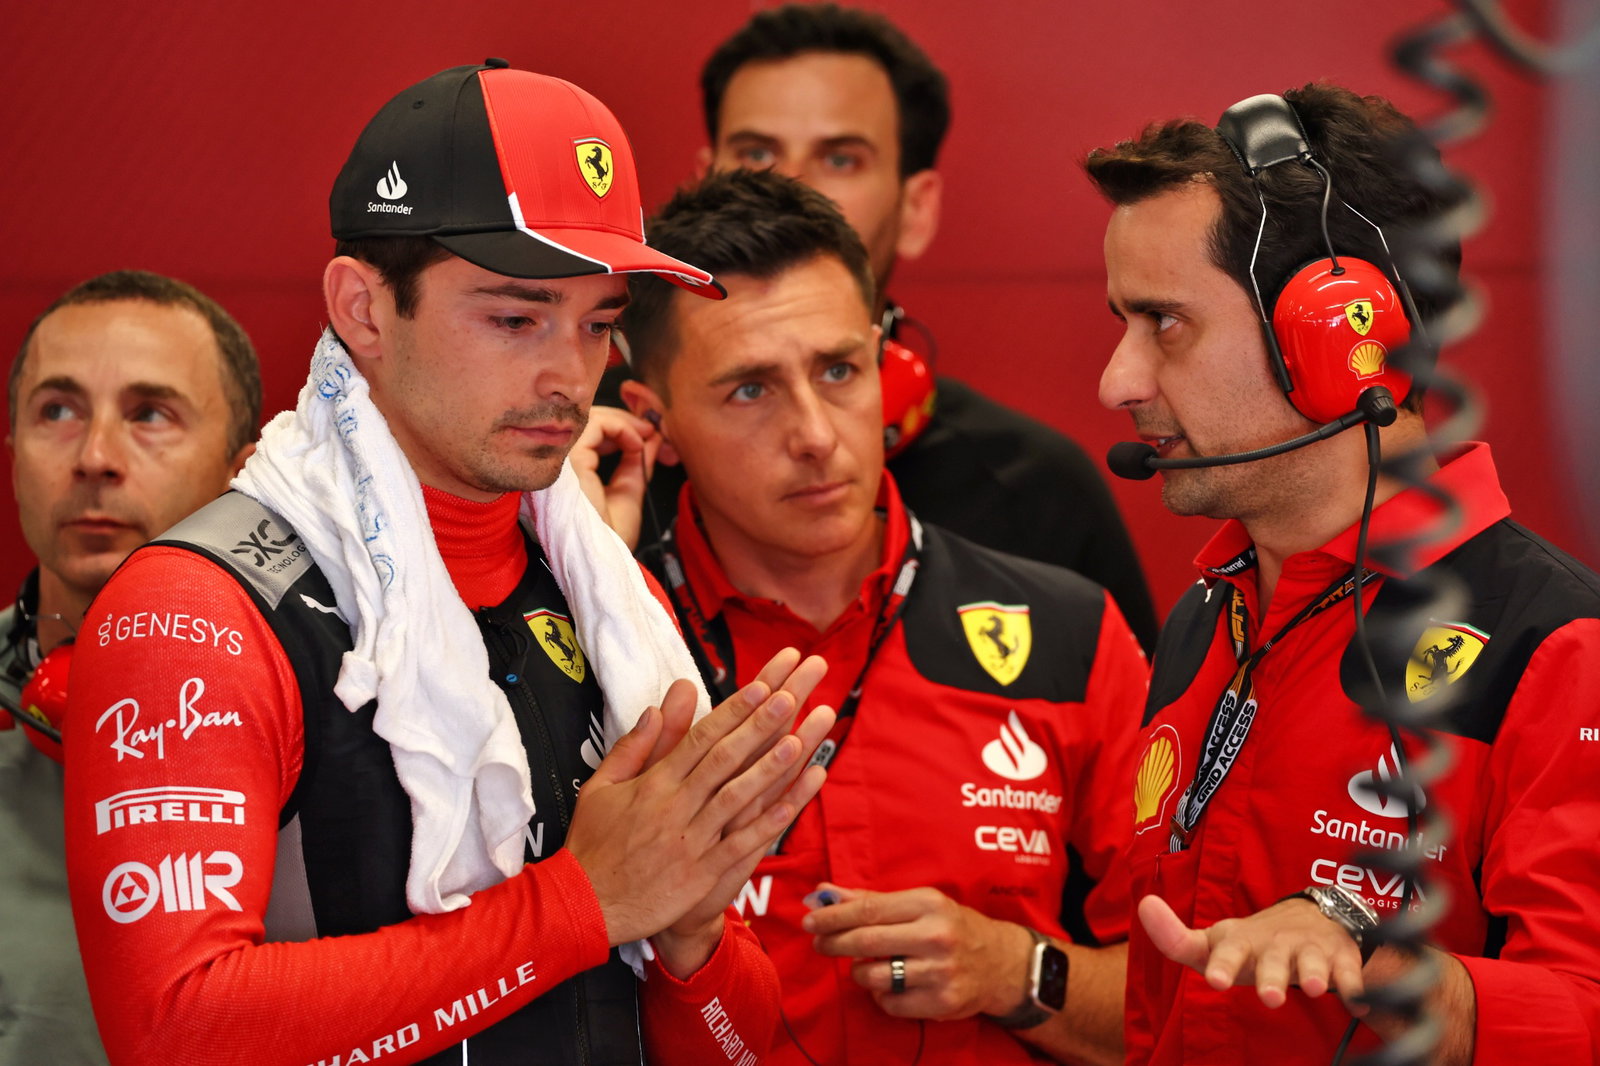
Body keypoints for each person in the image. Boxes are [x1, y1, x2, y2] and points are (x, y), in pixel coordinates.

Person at [62, 61, 835, 1066]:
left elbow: (739, 1050)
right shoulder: (193, 611)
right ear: (364, 309)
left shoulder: (611, 594)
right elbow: (173, 1032)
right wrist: (585, 902)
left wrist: (686, 932)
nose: (568, 375)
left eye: (598, 325)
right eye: (515, 318)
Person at [579, 167, 1147, 1066]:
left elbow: (1197, 1009)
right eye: (750, 390)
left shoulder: (1067, 633)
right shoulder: (595, 649)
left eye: (840, 370)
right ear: (655, 423)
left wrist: (1016, 970)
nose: (816, 434)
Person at [1086, 83, 1600, 1064]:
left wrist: (1414, 981)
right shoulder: (1210, 613)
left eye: (1164, 321)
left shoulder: (1557, 646)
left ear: (1337, 338)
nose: (1119, 379)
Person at [605, 1, 1158, 650]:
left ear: (916, 208)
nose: (790, 186)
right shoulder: (584, 463)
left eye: (841, 159)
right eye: (755, 152)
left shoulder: (1038, 491)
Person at [2, 268, 261, 1066]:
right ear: (12, 454)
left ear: (243, 472)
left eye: (150, 414)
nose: (94, 457)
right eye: (58, 410)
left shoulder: (344, 709)